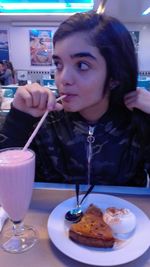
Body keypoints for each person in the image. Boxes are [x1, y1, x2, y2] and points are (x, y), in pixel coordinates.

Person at [1, 12, 150, 186]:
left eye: (82, 65)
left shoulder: (137, 123)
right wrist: (18, 121)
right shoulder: (43, 121)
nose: (63, 79)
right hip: (51, 212)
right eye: (58, 64)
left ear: (114, 77)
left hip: (121, 213)